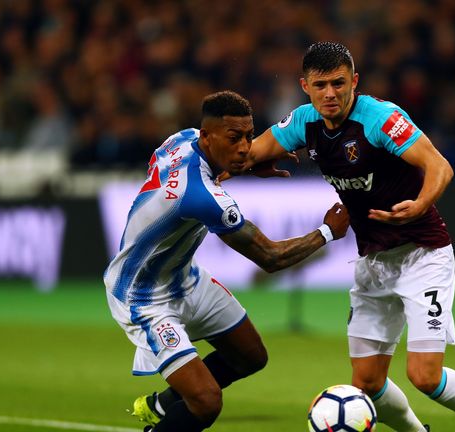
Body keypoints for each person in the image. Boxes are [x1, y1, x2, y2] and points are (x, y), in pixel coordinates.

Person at [246, 42, 455, 432]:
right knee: (367, 383)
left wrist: (421, 203)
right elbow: (250, 152)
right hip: (373, 262)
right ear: (305, 85)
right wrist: (238, 168)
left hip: (423, 254)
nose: (330, 94)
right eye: (320, 85)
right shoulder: (304, 122)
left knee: (424, 376)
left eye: (339, 83)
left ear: (355, 80)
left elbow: (439, 166)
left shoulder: (380, 119)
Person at [105, 90, 350, 432]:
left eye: (249, 136)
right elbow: (270, 257)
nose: (246, 147)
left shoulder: (183, 139)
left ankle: (162, 404)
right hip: (143, 297)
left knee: (251, 356)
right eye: (235, 138)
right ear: (208, 135)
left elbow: (201, 169)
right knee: (206, 402)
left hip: (184, 278)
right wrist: (327, 232)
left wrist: (243, 166)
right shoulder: (203, 198)